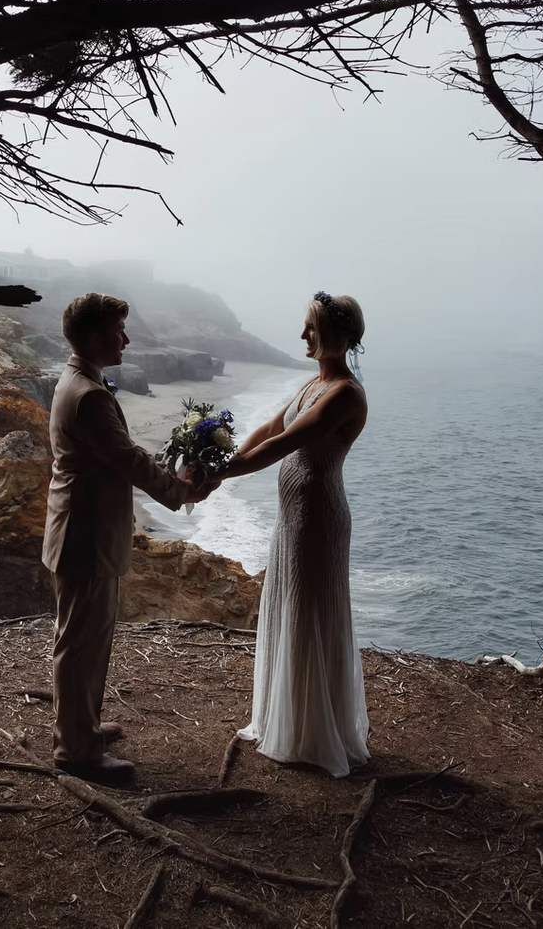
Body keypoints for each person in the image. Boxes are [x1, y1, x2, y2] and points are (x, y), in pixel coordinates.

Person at [42, 293, 211, 786]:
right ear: (96, 336)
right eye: (119, 331)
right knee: (80, 645)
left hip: (78, 528)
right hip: (86, 533)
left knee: (83, 640)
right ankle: (77, 751)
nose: (127, 339)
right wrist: (181, 490)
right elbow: (129, 460)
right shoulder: (90, 395)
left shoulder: (79, 380)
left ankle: (83, 729)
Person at [216, 291, 370, 777]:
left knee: (309, 612)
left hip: (318, 517)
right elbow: (269, 428)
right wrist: (223, 460)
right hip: (292, 517)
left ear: (339, 335)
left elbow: (286, 443)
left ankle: (312, 733)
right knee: (288, 606)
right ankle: (286, 719)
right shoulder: (313, 384)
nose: (303, 334)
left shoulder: (344, 393)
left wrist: (221, 475)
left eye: (312, 327)